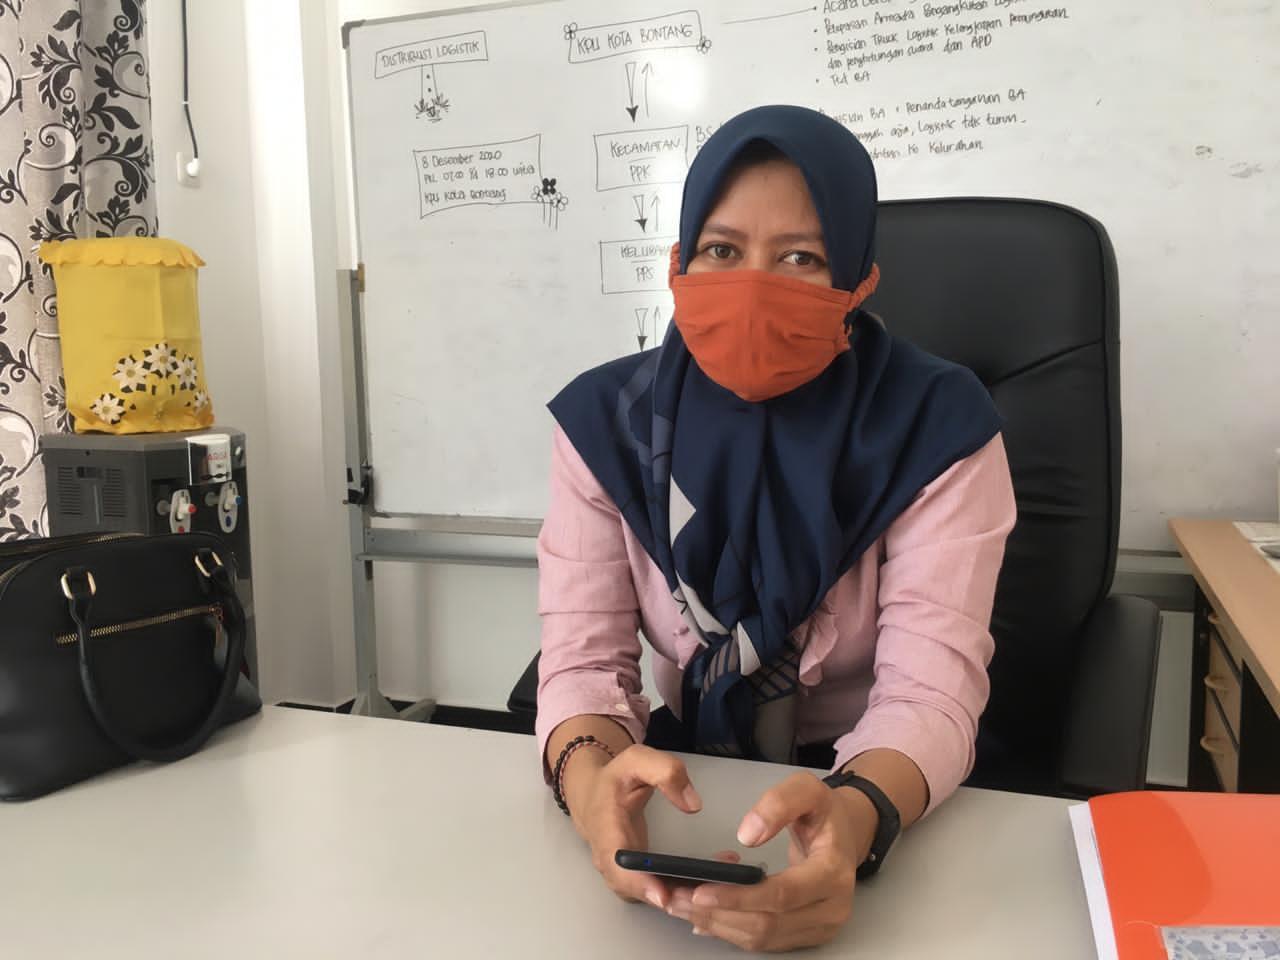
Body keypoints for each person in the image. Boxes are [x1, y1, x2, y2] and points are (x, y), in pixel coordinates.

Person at [536, 104, 1016, 952]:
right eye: (722, 251)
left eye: (801, 258)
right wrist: (591, 785)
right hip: (685, 774)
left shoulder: (937, 427)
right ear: (680, 261)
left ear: (857, 281)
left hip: (877, 771)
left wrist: (854, 822)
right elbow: (582, 665)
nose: (754, 286)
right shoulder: (607, 426)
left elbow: (927, 694)